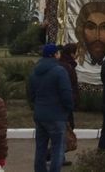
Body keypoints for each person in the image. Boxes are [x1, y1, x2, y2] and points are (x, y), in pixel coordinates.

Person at [28, 44, 73, 172]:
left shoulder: (35, 71)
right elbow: (66, 94)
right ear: (54, 55)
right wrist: (68, 109)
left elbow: (31, 94)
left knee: (40, 148)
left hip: (40, 115)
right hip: (56, 116)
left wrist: (37, 106)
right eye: (58, 53)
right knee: (58, 148)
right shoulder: (59, 71)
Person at [75, 1, 105, 66]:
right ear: (81, 30)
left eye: (104, 27)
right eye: (91, 27)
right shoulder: (74, 62)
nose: (97, 36)